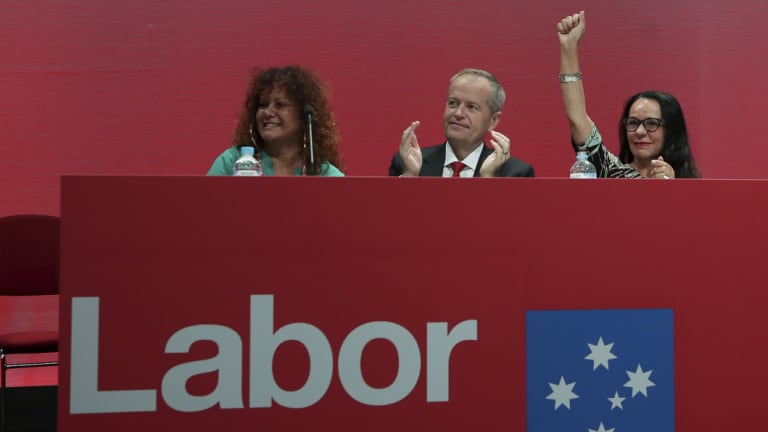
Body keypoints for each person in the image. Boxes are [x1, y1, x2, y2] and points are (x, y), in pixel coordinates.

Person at [557, 11, 700, 178]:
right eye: (633, 123)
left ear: (671, 130)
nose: (639, 131)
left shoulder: (689, 184)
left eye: (651, 123)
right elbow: (577, 118)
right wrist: (568, 47)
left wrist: (672, 190)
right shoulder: (612, 171)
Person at [388, 68, 534, 177]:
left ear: (493, 120)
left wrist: (488, 180)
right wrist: (410, 177)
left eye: (472, 107)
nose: (458, 113)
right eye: (453, 103)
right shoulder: (407, 163)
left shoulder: (514, 173)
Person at [208, 66, 344, 176]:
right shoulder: (232, 161)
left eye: (280, 105)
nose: (267, 112)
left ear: (303, 116)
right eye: (263, 105)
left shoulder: (324, 173)